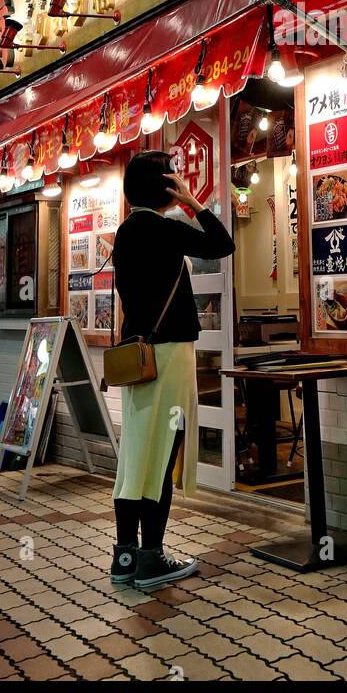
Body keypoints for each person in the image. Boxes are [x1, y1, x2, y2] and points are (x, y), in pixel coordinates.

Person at [109, 151, 234, 591]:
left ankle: (124, 558)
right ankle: (152, 560)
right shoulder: (165, 231)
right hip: (171, 356)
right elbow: (222, 244)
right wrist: (194, 202)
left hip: (136, 359)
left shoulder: (125, 234)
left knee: (136, 457)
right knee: (162, 457)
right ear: (165, 188)